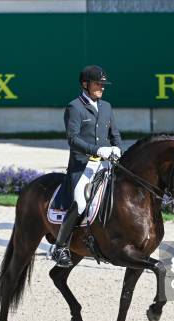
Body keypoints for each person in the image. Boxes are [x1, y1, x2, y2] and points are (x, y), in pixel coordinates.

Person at [50, 65, 122, 267]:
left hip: (107, 163)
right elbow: (72, 139)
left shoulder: (106, 106)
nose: (102, 87)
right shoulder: (75, 107)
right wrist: (96, 150)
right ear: (85, 84)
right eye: (98, 84)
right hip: (84, 166)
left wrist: (118, 149)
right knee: (81, 202)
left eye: (103, 84)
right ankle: (60, 246)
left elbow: (114, 134)